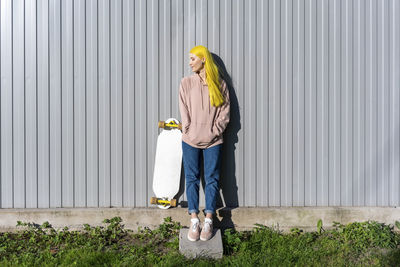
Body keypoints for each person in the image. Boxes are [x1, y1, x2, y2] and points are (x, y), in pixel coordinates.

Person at [178, 45, 230, 241]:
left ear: (203, 60)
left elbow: (225, 114)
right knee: (191, 178)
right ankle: (194, 219)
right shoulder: (186, 83)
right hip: (190, 140)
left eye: (193, 58)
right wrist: (188, 130)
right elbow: (184, 109)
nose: (190, 62)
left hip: (213, 141)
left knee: (212, 178)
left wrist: (213, 132)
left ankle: (209, 219)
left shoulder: (220, 85)